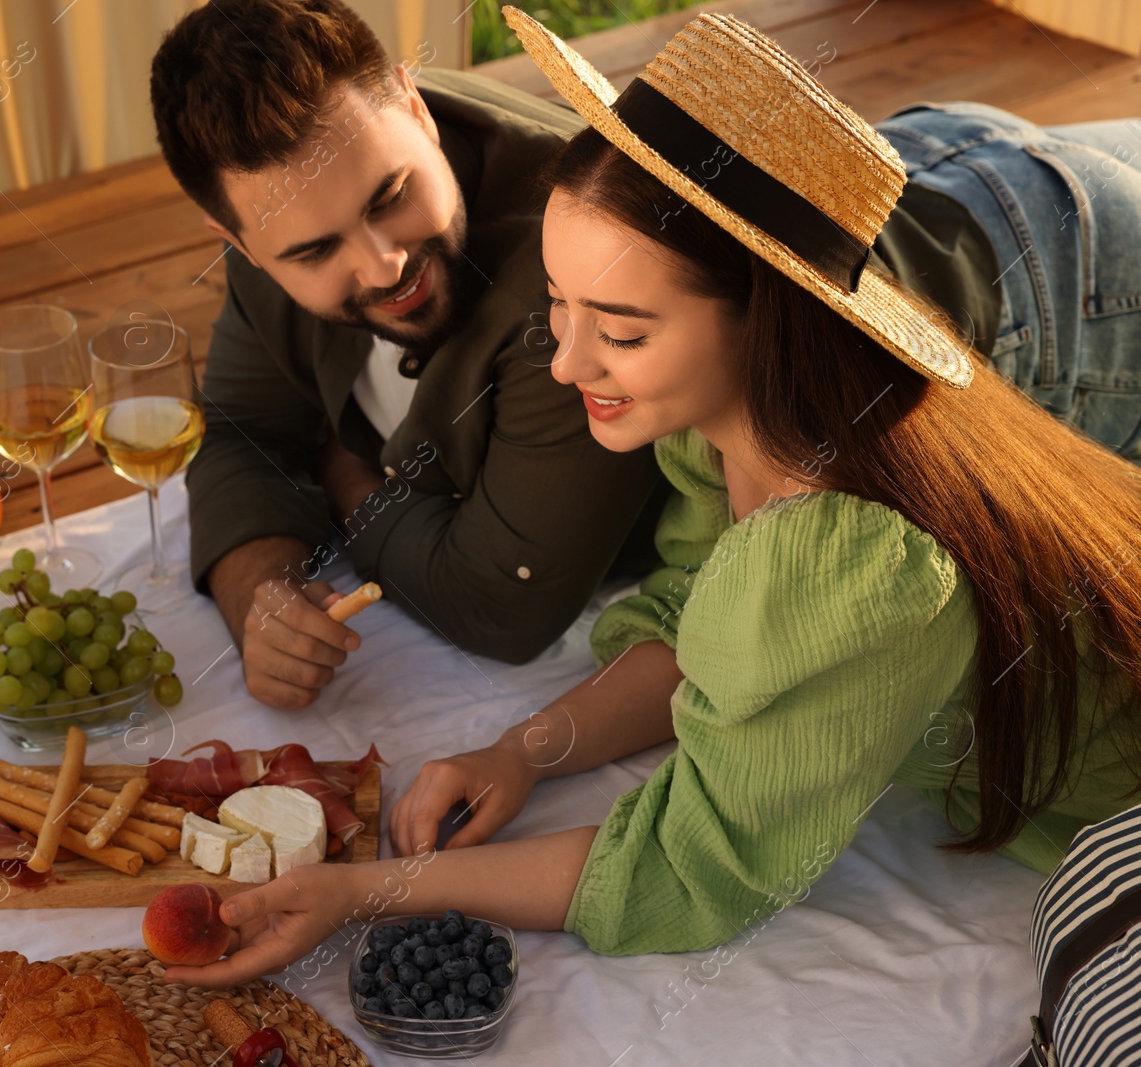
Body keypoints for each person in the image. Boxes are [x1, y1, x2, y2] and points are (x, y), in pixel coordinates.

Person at [161, 10, 1141, 988]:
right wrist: (526, 749)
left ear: (766, 310)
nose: (571, 360)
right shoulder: (716, 430)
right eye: (556, 303)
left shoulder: (852, 557)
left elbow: (684, 872)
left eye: (622, 334)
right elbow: (694, 619)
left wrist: (369, 888)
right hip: (973, 162)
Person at [148, 0, 673, 710]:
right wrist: (258, 592)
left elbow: (499, 605)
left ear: (417, 110)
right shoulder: (274, 218)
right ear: (242, 245)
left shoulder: (579, 276)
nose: (384, 264)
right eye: (315, 251)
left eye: (390, 195)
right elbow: (244, 431)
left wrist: (341, 467)